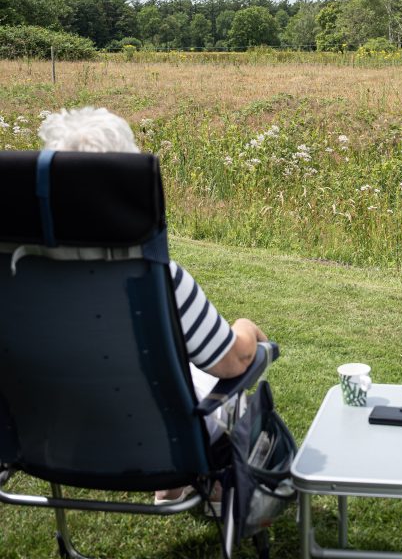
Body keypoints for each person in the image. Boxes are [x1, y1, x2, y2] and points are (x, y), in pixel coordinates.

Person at [38, 106, 268, 507]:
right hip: (156, 442)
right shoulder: (155, 279)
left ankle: (174, 487)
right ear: (125, 185)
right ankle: (199, 482)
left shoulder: (18, 277)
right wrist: (247, 328)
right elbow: (232, 363)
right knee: (224, 380)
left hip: (49, 440)